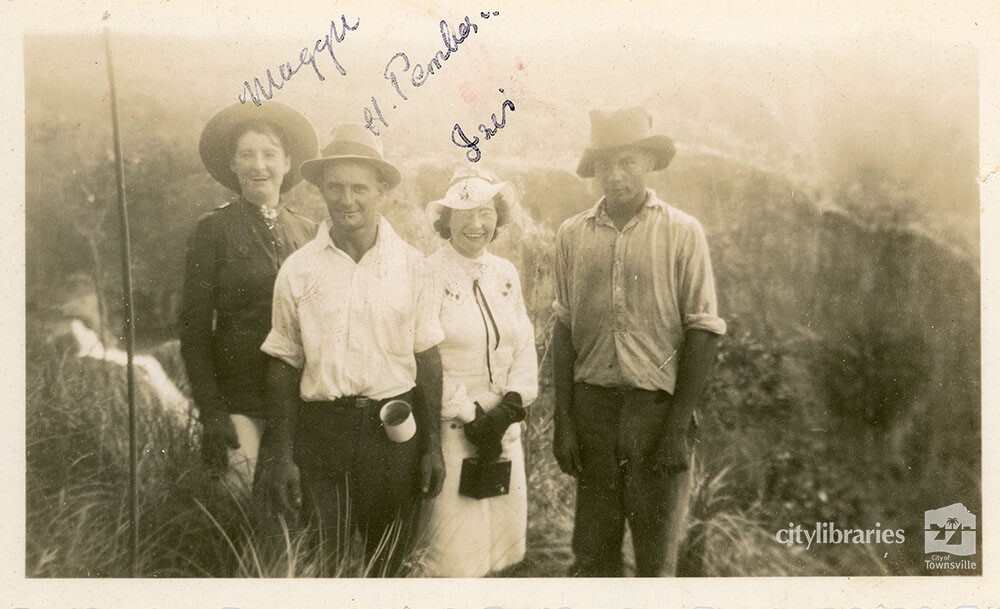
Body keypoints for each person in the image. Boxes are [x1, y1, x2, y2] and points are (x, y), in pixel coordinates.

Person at [258, 123, 446, 576]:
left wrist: (432, 448)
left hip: (393, 438)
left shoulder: (414, 267)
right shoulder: (298, 270)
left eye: (359, 188)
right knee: (327, 567)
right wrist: (282, 454)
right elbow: (284, 362)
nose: (347, 200)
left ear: (381, 188)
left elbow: (428, 362)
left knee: (389, 567)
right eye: (335, 188)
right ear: (321, 189)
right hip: (322, 439)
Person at [551, 107, 727, 577]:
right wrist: (564, 422)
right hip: (593, 414)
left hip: (656, 416)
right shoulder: (572, 235)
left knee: (654, 562)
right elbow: (564, 330)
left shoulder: (682, 231)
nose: (616, 174)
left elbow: (704, 330)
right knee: (591, 556)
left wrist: (675, 427)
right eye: (605, 164)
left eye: (627, 161)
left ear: (649, 162)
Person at [180, 101, 318, 497]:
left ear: (288, 162)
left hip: (300, 401)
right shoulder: (213, 230)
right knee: (238, 503)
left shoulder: (308, 232)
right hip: (237, 397)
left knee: (297, 511)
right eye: (247, 154)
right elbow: (193, 328)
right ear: (233, 165)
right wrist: (212, 411)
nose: (259, 165)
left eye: (269, 153)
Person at [417, 168, 539, 577]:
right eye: (464, 213)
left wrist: (510, 407)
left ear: (497, 218)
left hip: (503, 430)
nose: (476, 224)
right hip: (455, 431)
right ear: (445, 221)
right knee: (453, 557)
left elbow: (523, 343)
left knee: (500, 552)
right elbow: (424, 354)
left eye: (485, 212)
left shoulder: (504, 272)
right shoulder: (427, 273)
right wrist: (470, 414)